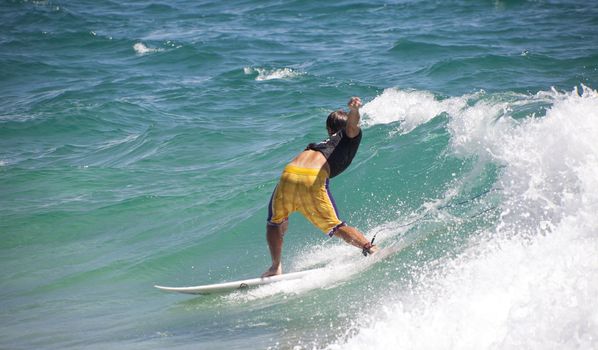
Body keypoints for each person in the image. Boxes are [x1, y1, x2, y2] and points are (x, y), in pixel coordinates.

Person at [262, 96, 379, 277]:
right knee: (336, 226)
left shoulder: (320, 144)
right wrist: (354, 111)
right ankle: (370, 249)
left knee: (274, 222)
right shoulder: (346, 136)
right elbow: (353, 126)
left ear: (328, 129)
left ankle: (275, 266)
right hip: (311, 176)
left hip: (288, 174)